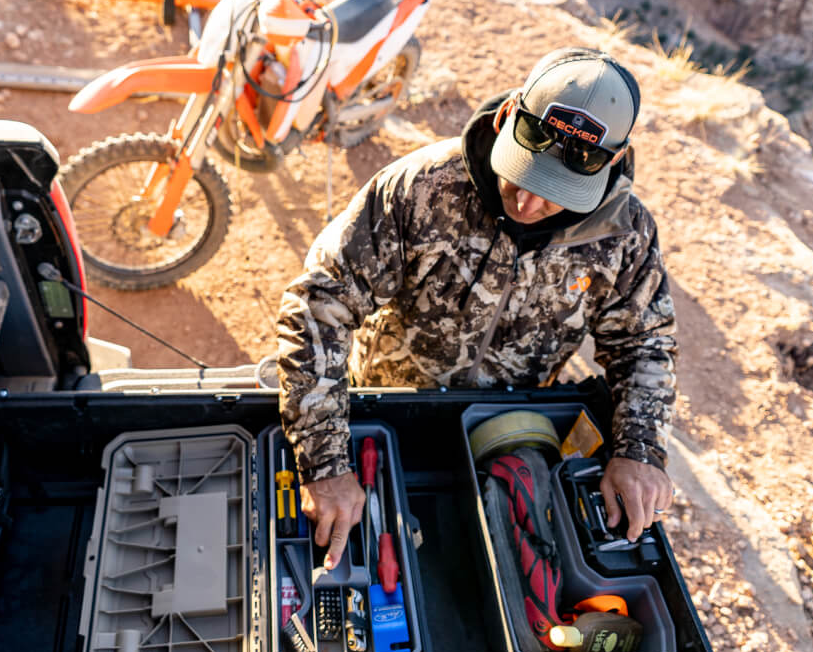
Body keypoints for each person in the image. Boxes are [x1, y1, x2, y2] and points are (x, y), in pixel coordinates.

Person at [276, 47, 676, 569]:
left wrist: (639, 451)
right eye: (522, 176)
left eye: (555, 193)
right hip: (387, 411)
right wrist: (326, 462)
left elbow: (645, 343)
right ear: (510, 114)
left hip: (508, 434)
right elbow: (318, 303)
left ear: (613, 161)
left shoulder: (626, 234)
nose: (527, 205)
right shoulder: (421, 187)